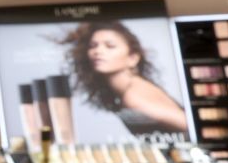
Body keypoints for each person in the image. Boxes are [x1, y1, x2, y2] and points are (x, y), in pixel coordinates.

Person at [57, 19, 189, 135]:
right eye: (93, 46)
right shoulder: (128, 90)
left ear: (132, 58)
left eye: (110, 46)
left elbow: (188, 124)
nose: (98, 51)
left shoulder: (134, 95)